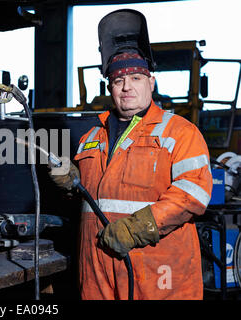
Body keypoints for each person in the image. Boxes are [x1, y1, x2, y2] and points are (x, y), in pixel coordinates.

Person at [49, 47, 213, 299]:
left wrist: (136, 228)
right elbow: (87, 201)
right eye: (118, 80)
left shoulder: (180, 132)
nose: (127, 87)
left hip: (155, 269)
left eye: (136, 78)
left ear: (151, 82)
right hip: (96, 267)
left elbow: (193, 194)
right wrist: (71, 186)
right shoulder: (91, 137)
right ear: (110, 88)